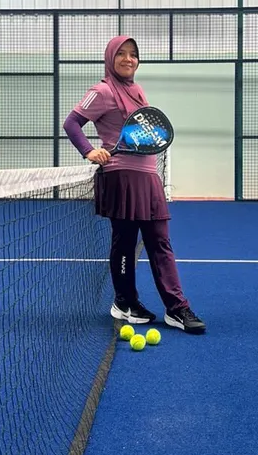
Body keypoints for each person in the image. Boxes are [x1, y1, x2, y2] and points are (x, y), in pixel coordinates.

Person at [63, 36, 206, 335]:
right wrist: (89, 151)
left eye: (133, 54)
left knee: (160, 242)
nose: (128, 59)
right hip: (120, 176)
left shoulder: (138, 91)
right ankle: (125, 302)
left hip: (148, 176)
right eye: (122, 54)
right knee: (125, 244)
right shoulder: (101, 91)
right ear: (110, 58)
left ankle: (176, 308)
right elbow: (71, 123)